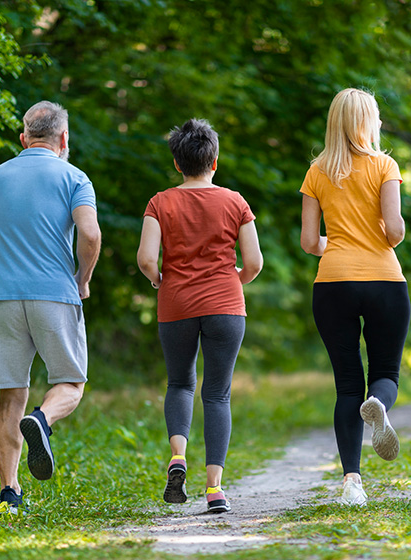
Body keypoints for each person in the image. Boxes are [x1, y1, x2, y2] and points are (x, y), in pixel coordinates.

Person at [0, 100, 101, 514]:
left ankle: (10, 495)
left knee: (10, 400)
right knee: (71, 383)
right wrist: (83, 279)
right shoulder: (74, 177)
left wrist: (7, 256)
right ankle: (42, 421)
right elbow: (90, 236)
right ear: (63, 139)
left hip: (1, 297)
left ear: (23, 138)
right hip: (54, 294)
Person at [137, 118, 263, 514]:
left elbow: (145, 259)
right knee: (217, 394)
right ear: (215, 161)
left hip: (176, 304)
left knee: (179, 384)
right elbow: (255, 262)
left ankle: (178, 455)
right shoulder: (235, 202)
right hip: (226, 304)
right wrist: (235, 280)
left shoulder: (160, 202)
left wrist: (160, 279)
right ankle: (214, 490)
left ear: (177, 163)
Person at [300, 88, 410, 506]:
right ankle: (379, 404)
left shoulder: (316, 171)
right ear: (368, 121)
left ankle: (352, 484)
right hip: (384, 281)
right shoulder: (385, 165)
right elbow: (395, 233)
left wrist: (342, 244)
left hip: (332, 284)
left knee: (347, 386)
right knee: (386, 372)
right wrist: (373, 237)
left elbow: (310, 241)